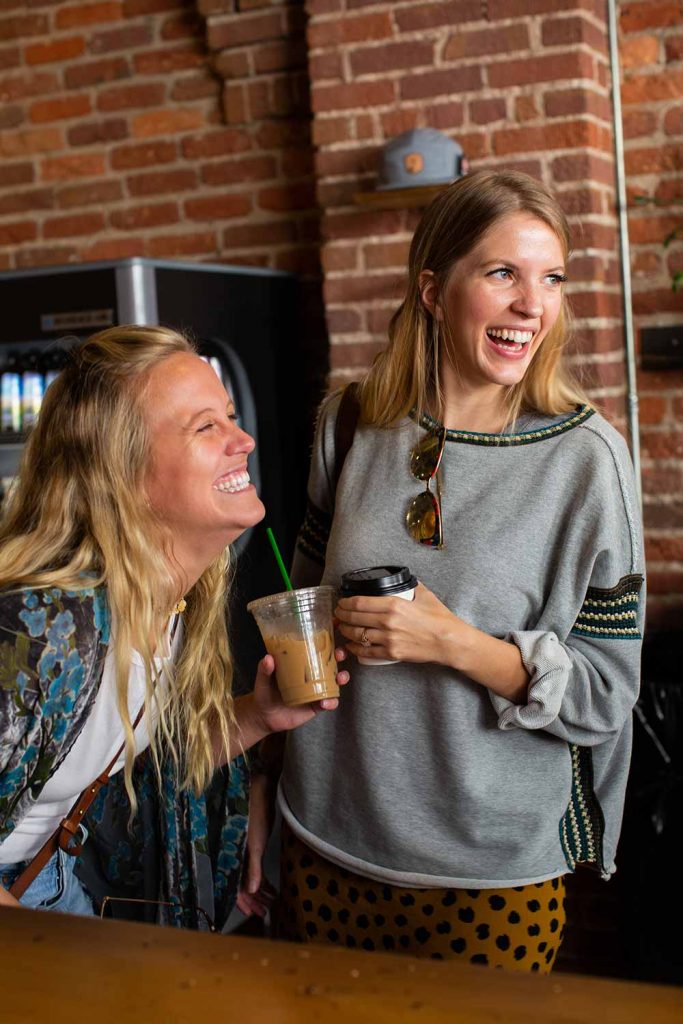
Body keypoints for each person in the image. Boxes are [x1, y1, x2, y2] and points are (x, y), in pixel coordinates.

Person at [241, 170, 645, 971]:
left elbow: (605, 695)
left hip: (489, 872)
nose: (533, 305)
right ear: (432, 290)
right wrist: (261, 787)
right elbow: (301, 625)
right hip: (325, 836)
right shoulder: (350, 423)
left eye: (551, 278)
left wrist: (450, 641)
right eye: (503, 274)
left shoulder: (586, 461)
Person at [0, 325, 347, 927]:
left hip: (48, 875)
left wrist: (257, 716)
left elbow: (134, 763)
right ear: (122, 470)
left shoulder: (169, 607)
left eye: (231, 417)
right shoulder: (43, 632)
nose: (244, 439)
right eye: (205, 426)